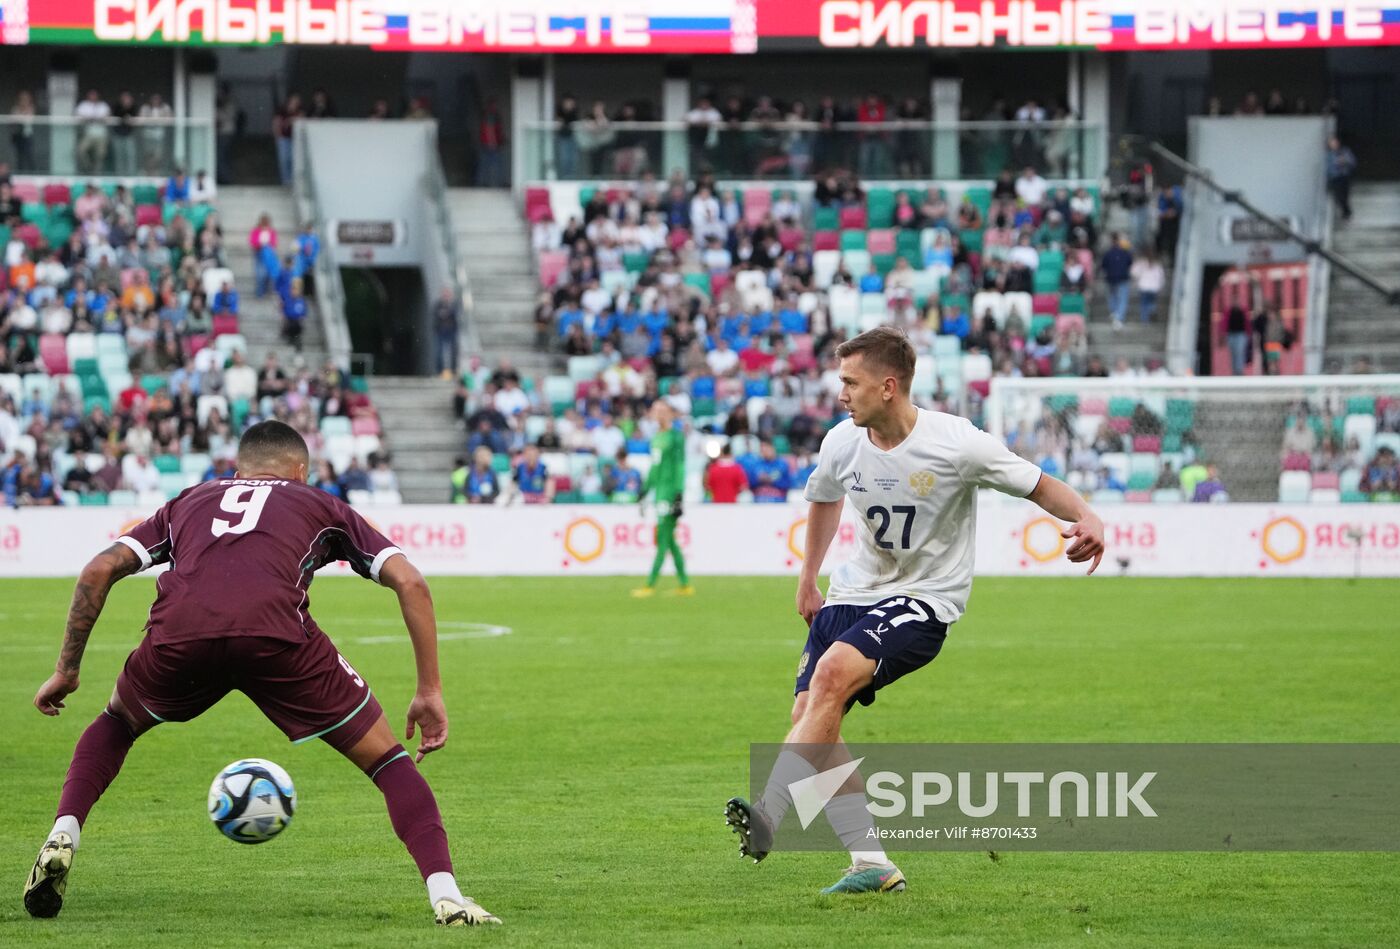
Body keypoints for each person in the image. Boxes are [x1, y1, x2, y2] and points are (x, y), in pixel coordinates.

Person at [22, 421, 500, 926]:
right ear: (300, 470)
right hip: (278, 640)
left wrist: (66, 670)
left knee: (116, 723)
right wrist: (429, 690)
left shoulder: (189, 500)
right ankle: (446, 896)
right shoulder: (319, 503)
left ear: (238, 468)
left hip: (181, 636)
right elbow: (412, 583)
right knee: (387, 762)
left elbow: (97, 571)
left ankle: (65, 831)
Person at [723, 326, 1105, 896]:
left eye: (851, 382)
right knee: (813, 716)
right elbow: (824, 497)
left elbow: (1038, 485)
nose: (841, 393)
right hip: (853, 592)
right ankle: (871, 865)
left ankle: (770, 814)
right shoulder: (841, 442)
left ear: (889, 386)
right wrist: (808, 578)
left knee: (829, 681)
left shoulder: (957, 442)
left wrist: (1088, 517)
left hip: (925, 598)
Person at [632, 400, 692, 597]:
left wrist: (678, 492)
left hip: (669, 493)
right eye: (655, 410)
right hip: (659, 493)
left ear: (669, 414)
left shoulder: (675, 437)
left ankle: (650, 584)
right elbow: (654, 468)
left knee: (663, 538)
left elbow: (680, 465)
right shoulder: (656, 437)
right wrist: (645, 489)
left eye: (662, 411)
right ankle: (684, 584)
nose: (658, 414)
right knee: (670, 541)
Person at [1101, 233, 1133, 330]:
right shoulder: (1124, 253)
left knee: (1115, 296)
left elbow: (1104, 266)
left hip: (1114, 278)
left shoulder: (1109, 253)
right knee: (1121, 298)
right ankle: (1118, 316)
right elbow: (1130, 262)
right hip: (1119, 278)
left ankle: (1115, 313)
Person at [1325, 136, 1357, 223]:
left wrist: (1344, 161)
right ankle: (1344, 213)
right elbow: (1327, 167)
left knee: (1345, 196)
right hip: (1335, 177)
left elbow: (1352, 162)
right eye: (1331, 143)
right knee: (1338, 196)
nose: (1333, 144)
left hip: (1344, 176)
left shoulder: (1344, 151)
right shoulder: (1328, 154)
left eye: (1334, 142)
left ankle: (1347, 214)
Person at [432, 288, 460, 380]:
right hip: (441, 331)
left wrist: (446, 313)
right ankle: (439, 371)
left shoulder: (454, 304)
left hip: (451, 331)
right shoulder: (438, 304)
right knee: (439, 352)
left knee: (453, 352)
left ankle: (453, 371)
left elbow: (455, 314)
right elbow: (436, 315)